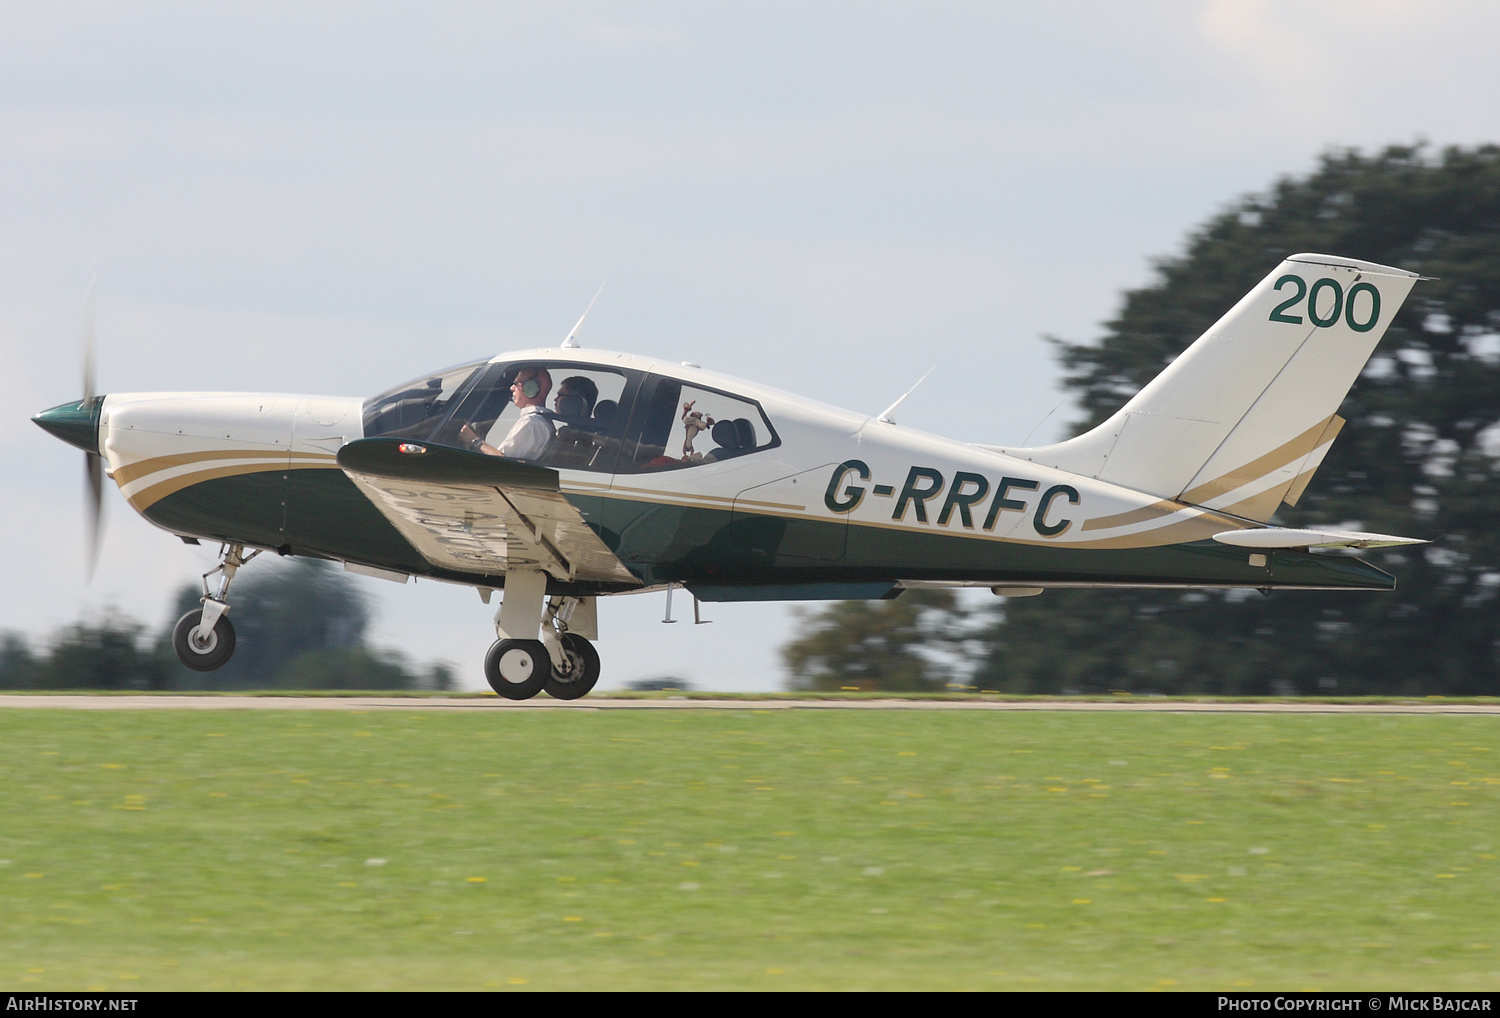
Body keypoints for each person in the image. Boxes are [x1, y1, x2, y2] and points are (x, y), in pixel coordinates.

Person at [459, 367, 554, 460]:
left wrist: (473, 439)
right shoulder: (541, 421)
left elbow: (503, 462)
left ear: (531, 387)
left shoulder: (531, 422)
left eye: (516, 383)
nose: (512, 388)